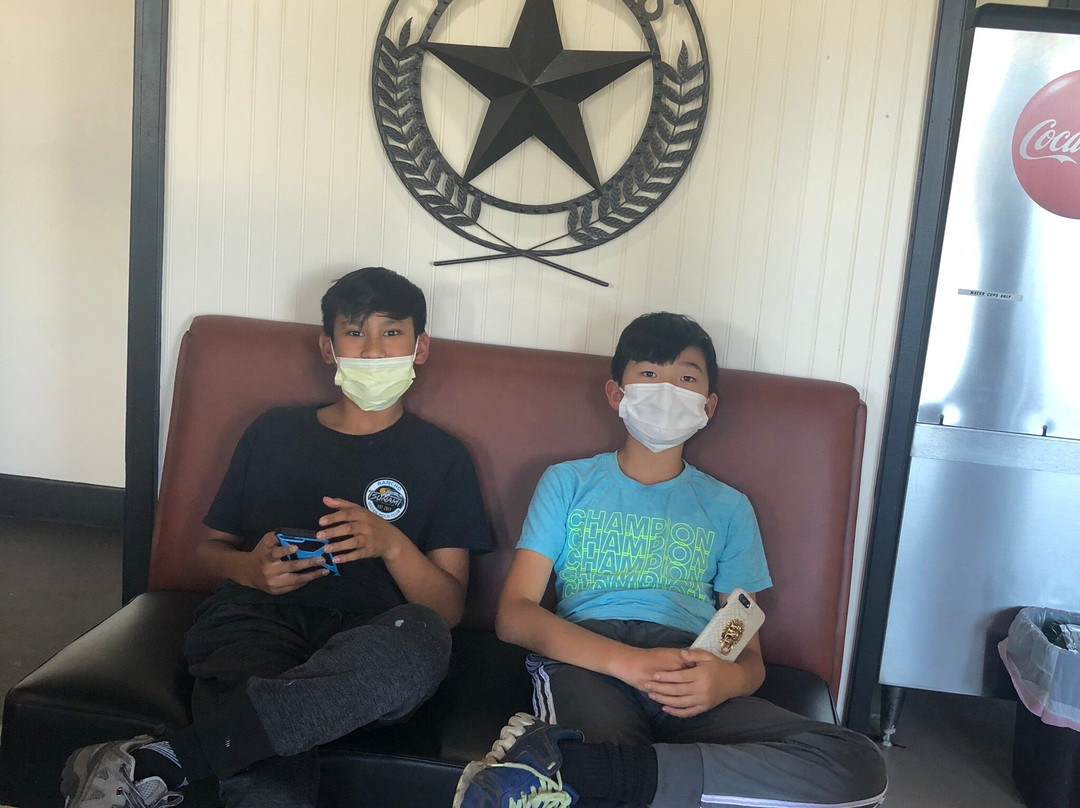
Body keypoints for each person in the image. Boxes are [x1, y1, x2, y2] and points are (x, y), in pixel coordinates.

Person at [61, 267, 491, 808]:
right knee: (270, 789)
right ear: (328, 347)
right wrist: (248, 568)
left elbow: (447, 610)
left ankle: (163, 762)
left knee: (423, 638)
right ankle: (213, 747)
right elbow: (206, 552)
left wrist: (392, 545)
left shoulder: (444, 457)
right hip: (256, 622)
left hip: (375, 640)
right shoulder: (273, 432)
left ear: (420, 347)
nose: (373, 350)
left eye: (391, 332)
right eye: (354, 332)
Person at [453, 312, 887, 808]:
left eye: (686, 379)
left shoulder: (729, 508)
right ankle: (613, 776)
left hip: (691, 666)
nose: (667, 391)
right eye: (649, 374)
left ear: (708, 405)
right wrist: (631, 664)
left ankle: (582, 773)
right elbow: (515, 615)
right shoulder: (568, 483)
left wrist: (726, 680)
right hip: (590, 658)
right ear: (617, 394)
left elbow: (746, 648)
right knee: (610, 763)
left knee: (858, 764)